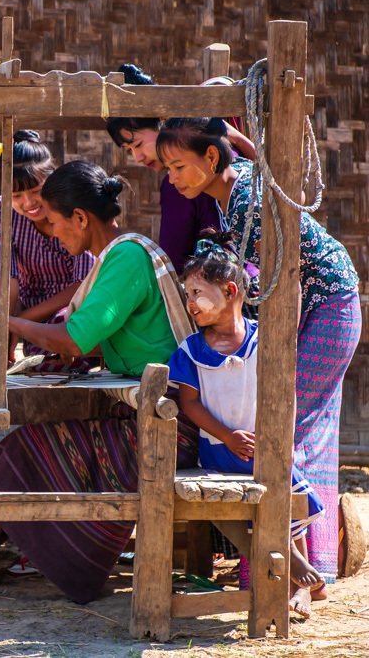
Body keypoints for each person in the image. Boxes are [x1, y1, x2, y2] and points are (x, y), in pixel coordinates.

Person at [0, 160, 198, 605]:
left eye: (55, 220)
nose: (51, 231)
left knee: (29, 451)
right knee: (18, 447)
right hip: (137, 415)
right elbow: (124, 341)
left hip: (165, 428)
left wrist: (11, 323)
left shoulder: (126, 258)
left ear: (80, 218)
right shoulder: (119, 256)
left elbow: (75, 340)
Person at [157, 117, 361, 588]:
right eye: (167, 168)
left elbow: (283, 282)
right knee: (294, 435)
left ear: (211, 159)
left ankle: (283, 580)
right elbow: (249, 155)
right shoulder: (237, 185)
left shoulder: (247, 198)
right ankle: (295, 570)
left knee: (285, 432)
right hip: (319, 306)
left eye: (178, 166)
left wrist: (272, 352)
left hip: (326, 308)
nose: (172, 177)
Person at [168, 237, 325, 617]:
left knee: (289, 500)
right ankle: (296, 569)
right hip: (220, 452)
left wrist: (273, 439)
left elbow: (281, 392)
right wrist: (227, 436)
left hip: (264, 449)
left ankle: (300, 587)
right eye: (186, 294)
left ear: (230, 291)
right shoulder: (189, 350)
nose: (190, 303)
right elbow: (188, 404)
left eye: (196, 293)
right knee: (251, 508)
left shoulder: (265, 340)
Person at [105, 64, 255, 274]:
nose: (137, 157)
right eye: (128, 150)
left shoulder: (181, 182)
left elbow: (173, 262)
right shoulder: (230, 157)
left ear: (162, 122)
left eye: (137, 144)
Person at [0, 130, 94, 362]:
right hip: (33, 319)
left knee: (64, 329)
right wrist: (3, 325)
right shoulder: (1, 210)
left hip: (77, 311)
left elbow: (82, 285)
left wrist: (18, 321)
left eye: (36, 191)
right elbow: (7, 278)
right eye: (16, 196)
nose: (28, 203)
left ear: (51, 180)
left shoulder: (73, 207)